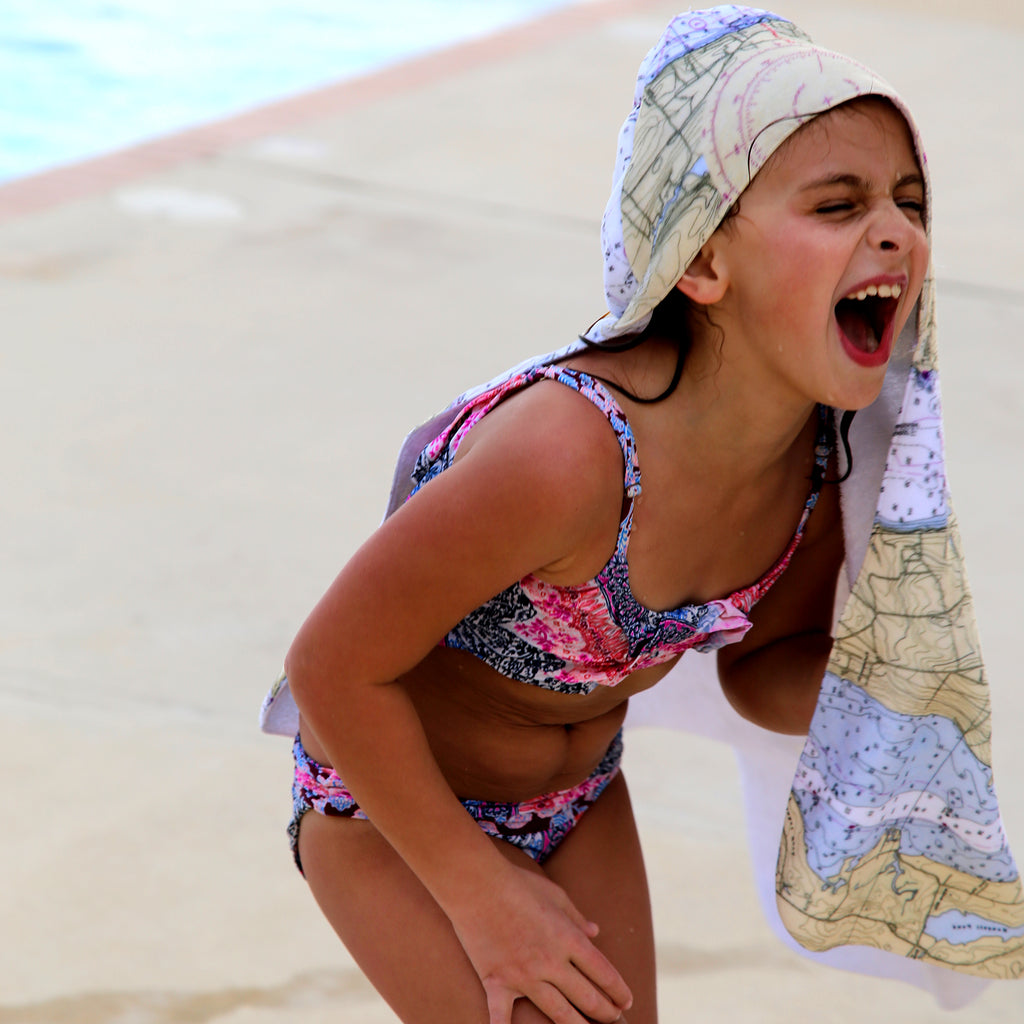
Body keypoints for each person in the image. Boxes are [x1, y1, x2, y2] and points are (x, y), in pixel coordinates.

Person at [260, 7, 1024, 1022]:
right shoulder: (564, 456)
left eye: (908, 201)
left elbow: (765, 664)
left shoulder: (813, 465)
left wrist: (895, 684)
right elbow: (331, 669)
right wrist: (479, 895)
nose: (894, 229)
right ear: (702, 264)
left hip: (578, 804)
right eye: (837, 205)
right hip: (394, 812)